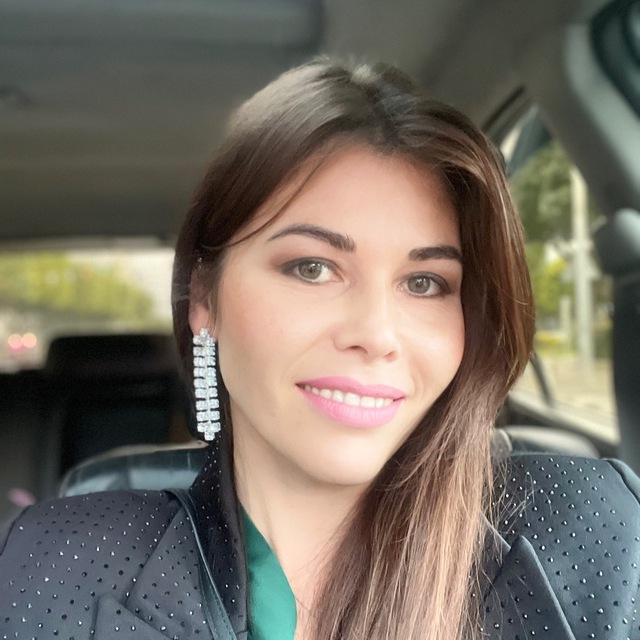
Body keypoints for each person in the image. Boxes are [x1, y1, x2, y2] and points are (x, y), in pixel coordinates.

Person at [1, 57, 640, 640]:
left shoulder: (598, 533)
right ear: (204, 298)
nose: (377, 334)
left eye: (425, 283)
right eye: (312, 268)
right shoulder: (51, 566)